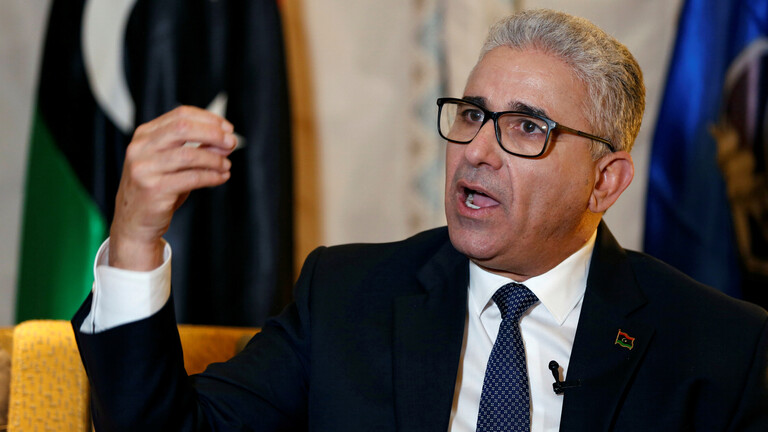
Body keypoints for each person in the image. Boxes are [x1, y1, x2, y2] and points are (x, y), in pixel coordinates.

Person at [72, 9, 768, 432]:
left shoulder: (723, 348)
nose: (477, 151)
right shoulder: (347, 296)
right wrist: (135, 236)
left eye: (527, 127)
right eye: (471, 115)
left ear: (604, 181)